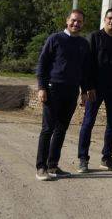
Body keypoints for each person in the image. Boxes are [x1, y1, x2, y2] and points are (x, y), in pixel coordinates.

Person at [35, 9, 94, 181]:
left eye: (80, 22)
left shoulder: (84, 44)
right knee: (48, 129)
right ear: (67, 20)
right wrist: (42, 87)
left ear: (83, 24)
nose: (76, 24)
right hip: (53, 89)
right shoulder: (55, 39)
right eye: (73, 20)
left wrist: (84, 91)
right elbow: (42, 64)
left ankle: (53, 165)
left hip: (71, 91)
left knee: (61, 129)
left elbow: (85, 70)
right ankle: (41, 167)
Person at [77, 8, 112, 173]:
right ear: (104, 20)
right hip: (95, 88)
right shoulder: (94, 37)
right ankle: (83, 158)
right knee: (88, 122)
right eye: (109, 18)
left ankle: (107, 158)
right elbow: (87, 64)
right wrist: (87, 87)